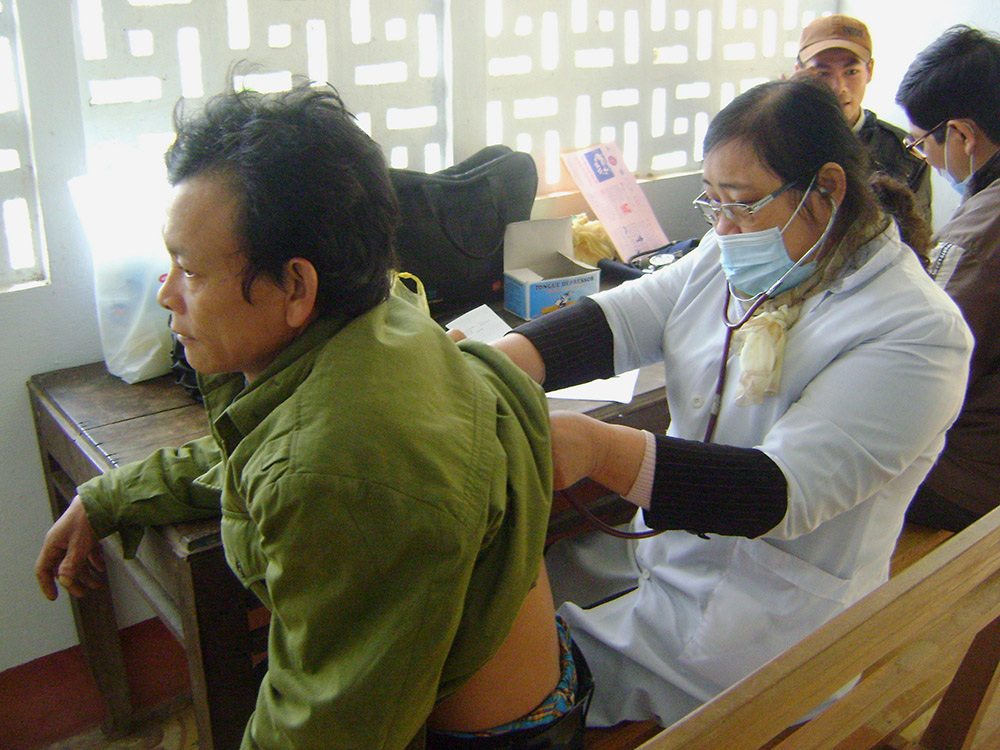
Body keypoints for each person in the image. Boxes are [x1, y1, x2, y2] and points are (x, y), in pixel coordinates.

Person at [34, 81, 593, 749]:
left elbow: (324, 729)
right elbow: (259, 448)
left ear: (295, 286)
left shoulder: (339, 468)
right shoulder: (379, 315)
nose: (166, 295)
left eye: (190, 270)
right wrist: (111, 498)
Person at [490, 76, 972, 727]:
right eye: (712, 202)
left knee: (500, 688)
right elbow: (623, 321)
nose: (722, 225)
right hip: (667, 568)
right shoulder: (741, 246)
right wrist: (494, 367)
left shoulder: (917, 335)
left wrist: (592, 446)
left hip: (761, 637)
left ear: (827, 189)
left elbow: (776, 492)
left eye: (740, 203)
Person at [896, 25, 1000, 532]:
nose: (927, 159)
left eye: (922, 143)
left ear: (961, 134)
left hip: (967, 479)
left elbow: (932, 361)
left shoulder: (983, 229)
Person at [795, 14, 932, 223]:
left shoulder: (905, 153)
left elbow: (917, 238)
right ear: (800, 73)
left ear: (870, 70)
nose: (838, 87)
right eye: (823, 73)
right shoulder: (782, 143)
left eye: (851, 71)